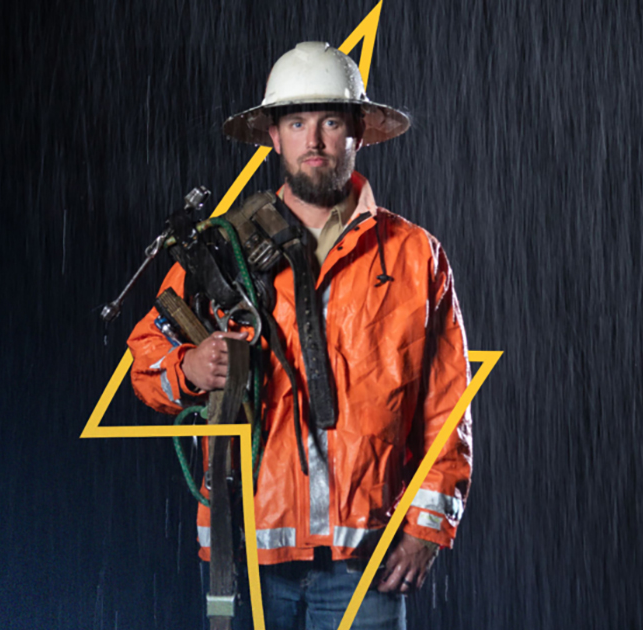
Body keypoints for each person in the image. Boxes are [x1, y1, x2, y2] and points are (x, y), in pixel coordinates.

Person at [127, 42, 472, 630]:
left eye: (330, 121)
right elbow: (146, 359)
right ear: (273, 136)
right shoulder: (219, 252)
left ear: (358, 131)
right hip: (245, 557)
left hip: (367, 561)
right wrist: (188, 368)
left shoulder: (415, 255)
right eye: (296, 122)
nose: (313, 141)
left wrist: (426, 528)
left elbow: (448, 405)